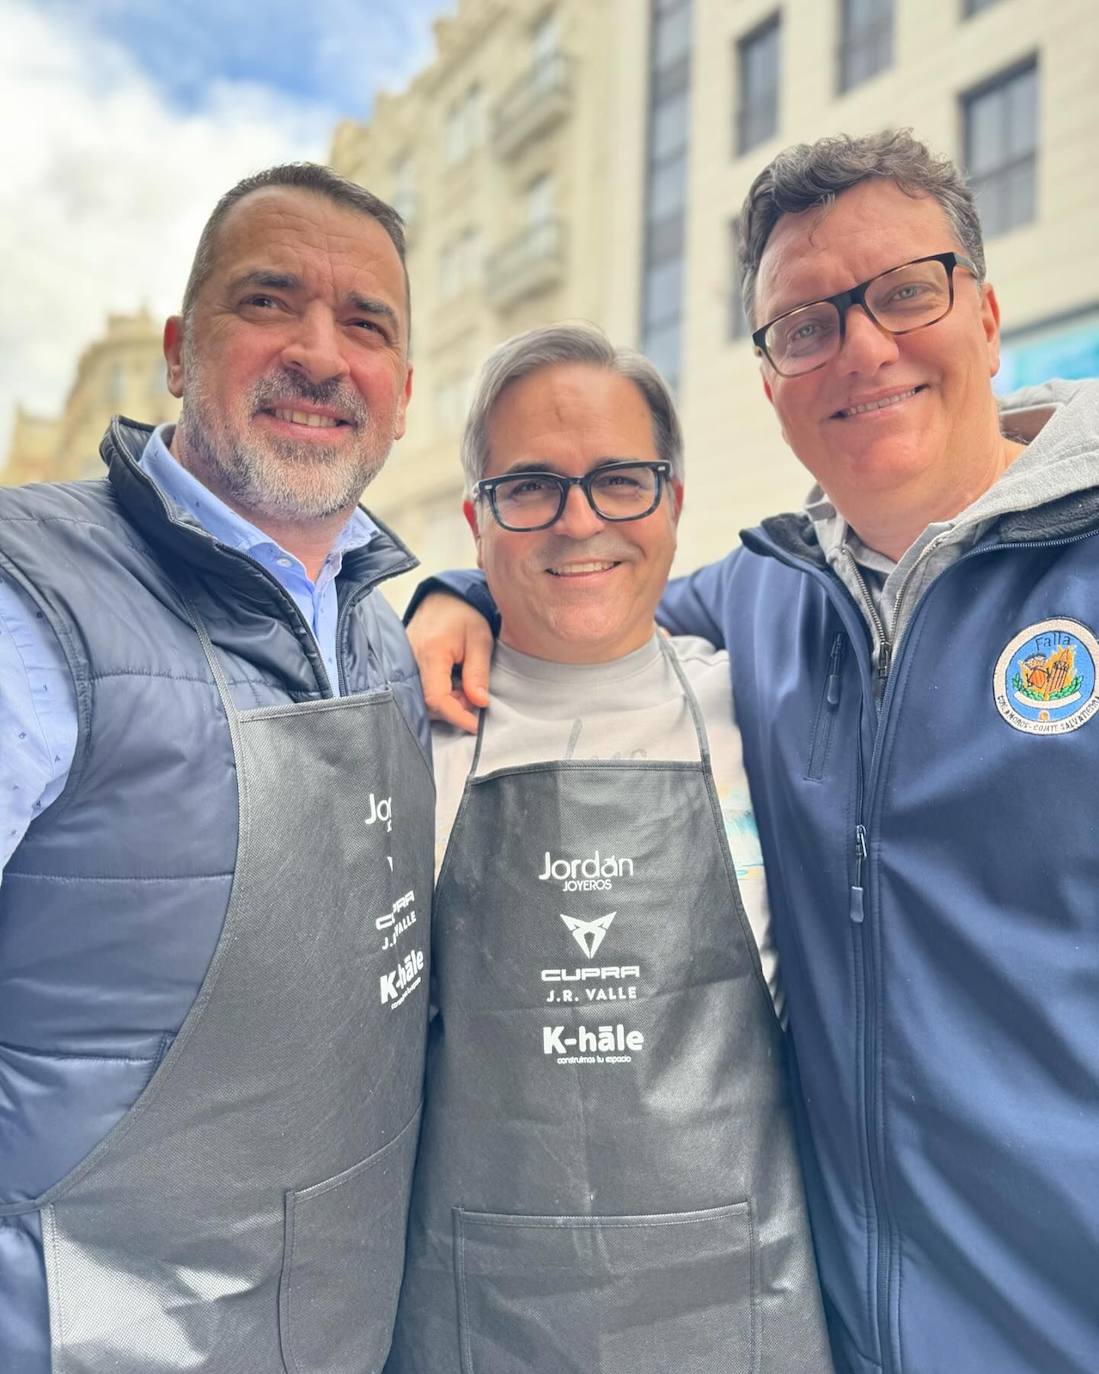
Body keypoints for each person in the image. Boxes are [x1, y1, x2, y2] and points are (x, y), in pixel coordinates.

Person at [406, 131, 1099, 1374]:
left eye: (904, 292)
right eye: (806, 325)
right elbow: (583, 587)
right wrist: (448, 594)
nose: (864, 348)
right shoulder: (753, 608)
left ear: (987, 317)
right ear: (773, 381)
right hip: (837, 1331)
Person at [0, 163, 432, 1373]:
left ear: (403, 392)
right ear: (181, 351)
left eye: (367, 325)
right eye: (268, 302)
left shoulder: (384, 637)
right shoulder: (29, 602)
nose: (319, 352)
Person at [386, 323, 832, 1374]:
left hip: (738, 1301)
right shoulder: (407, 735)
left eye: (618, 481)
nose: (578, 520)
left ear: (673, 501)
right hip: (474, 1305)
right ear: (477, 519)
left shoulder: (766, 709)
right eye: (529, 486)